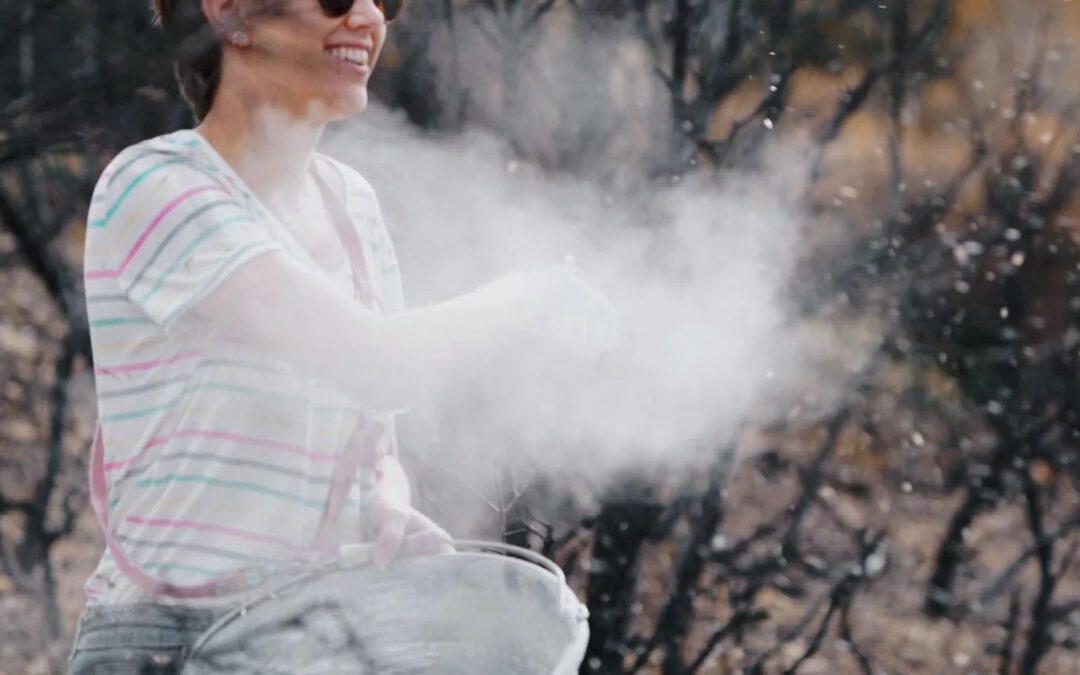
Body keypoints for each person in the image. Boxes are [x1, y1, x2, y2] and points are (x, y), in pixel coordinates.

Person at [67, 0, 614, 672]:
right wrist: (529, 294)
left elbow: (374, 430)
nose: (366, 17)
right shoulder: (157, 185)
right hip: (165, 642)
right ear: (229, 11)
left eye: (383, 0)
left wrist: (385, 501)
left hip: (309, 640)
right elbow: (375, 362)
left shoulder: (353, 205)